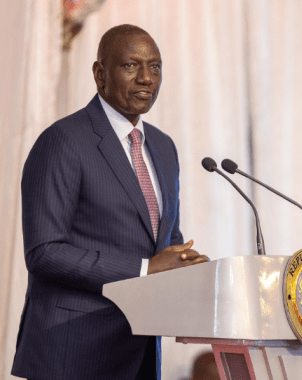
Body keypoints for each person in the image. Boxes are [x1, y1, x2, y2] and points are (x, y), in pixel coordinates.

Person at [11, 24, 209, 380]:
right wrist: (146, 269)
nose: (147, 78)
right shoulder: (63, 141)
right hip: (72, 353)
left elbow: (165, 239)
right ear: (100, 74)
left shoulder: (163, 147)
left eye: (156, 67)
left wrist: (186, 265)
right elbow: (43, 251)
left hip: (139, 351)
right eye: (131, 66)